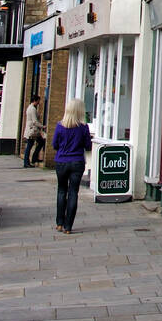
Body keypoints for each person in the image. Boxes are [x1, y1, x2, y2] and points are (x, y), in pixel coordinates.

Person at [52, 97, 92, 234]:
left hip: (61, 161)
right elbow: (88, 146)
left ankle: (59, 223)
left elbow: (54, 145)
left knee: (61, 191)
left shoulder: (59, 126)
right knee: (73, 192)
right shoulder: (83, 128)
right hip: (77, 162)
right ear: (80, 111)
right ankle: (68, 227)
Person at [23, 96, 45, 167]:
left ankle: (33, 159)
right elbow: (35, 121)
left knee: (39, 143)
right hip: (32, 131)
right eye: (38, 101)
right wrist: (42, 126)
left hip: (32, 130)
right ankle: (27, 162)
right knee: (30, 145)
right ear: (35, 101)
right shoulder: (32, 109)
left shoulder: (30, 108)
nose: (39, 102)